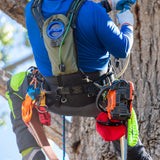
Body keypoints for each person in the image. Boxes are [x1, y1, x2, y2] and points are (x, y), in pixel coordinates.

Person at [6, 0, 152, 160]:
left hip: (52, 99)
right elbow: (122, 48)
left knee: (14, 83)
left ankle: (31, 153)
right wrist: (127, 24)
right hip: (99, 101)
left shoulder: (31, 10)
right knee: (130, 143)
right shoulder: (91, 11)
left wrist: (107, 5)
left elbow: (66, 14)